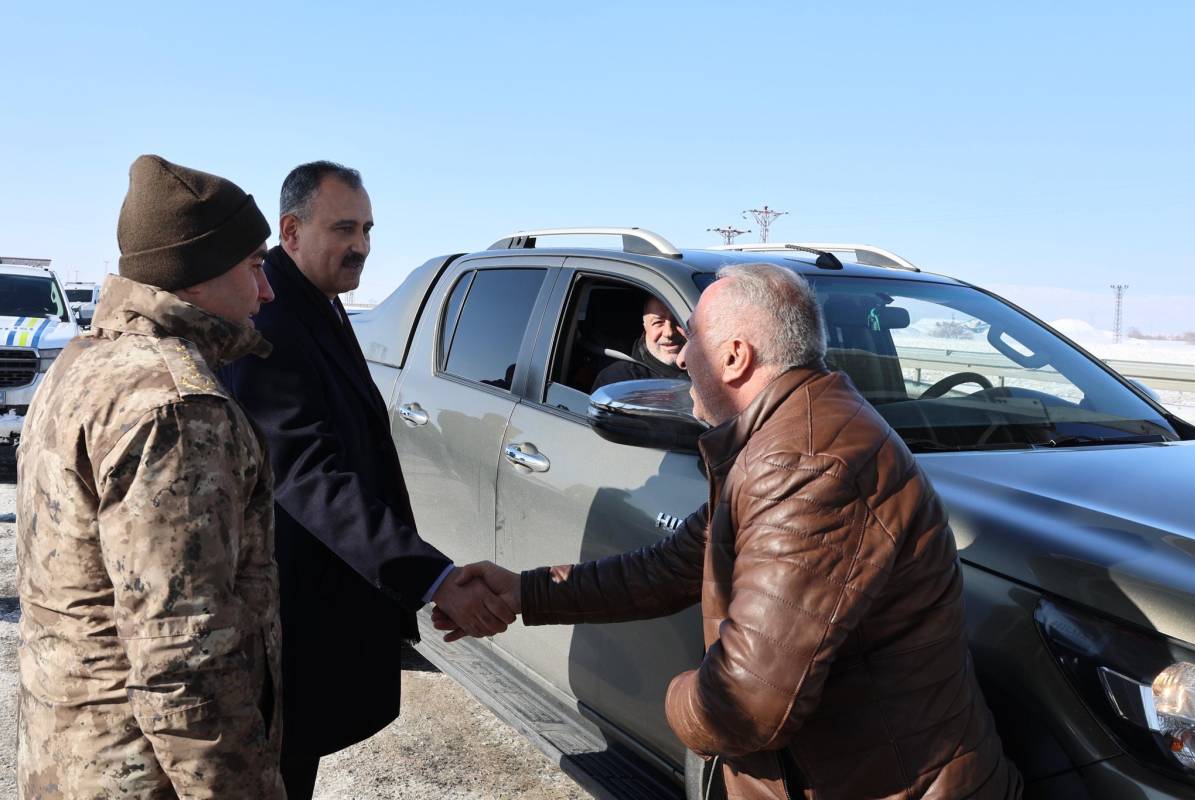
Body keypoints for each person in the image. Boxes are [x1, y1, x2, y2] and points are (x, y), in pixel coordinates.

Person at [440, 263, 1021, 799]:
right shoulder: (784, 434)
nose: (681, 354)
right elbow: (672, 565)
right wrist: (524, 591)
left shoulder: (803, 464)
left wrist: (677, 697)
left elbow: (744, 704)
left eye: (693, 337)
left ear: (736, 356)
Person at [222, 160, 515, 799]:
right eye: (345, 229)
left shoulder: (315, 302)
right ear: (291, 231)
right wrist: (433, 578)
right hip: (289, 615)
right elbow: (308, 476)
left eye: (368, 230)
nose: (362, 246)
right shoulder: (273, 323)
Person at [17, 155, 284, 797]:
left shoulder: (83, 365)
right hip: (143, 776)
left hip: (70, 755)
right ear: (194, 276)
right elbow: (185, 656)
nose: (267, 291)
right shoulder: (178, 408)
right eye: (254, 267)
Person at [590, 294, 688, 390]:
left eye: (678, 321)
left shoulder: (702, 368)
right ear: (645, 327)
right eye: (658, 322)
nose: (669, 333)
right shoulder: (617, 381)